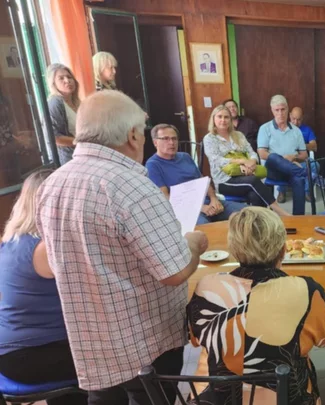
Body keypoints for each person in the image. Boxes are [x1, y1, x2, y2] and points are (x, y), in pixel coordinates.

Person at [35, 90, 209, 404]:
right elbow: (175, 271)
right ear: (132, 135)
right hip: (145, 342)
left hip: (90, 339)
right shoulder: (132, 186)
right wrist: (193, 244)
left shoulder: (51, 184)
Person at [187, 207, 325, 405]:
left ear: (233, 249)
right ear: (283, 249)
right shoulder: (306, 290)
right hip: (285, 397)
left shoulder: (206, 286)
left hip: (214, 398)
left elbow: (195, 338)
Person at [0, 170, 88, 405]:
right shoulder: (44, 249)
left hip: (13, 353)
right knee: (116, 359)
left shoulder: (11, 241)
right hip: (30, 356)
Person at [146, 123, 247, 224]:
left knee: (249, 213)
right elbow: (165, 198)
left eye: (174, 138)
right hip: (186, 210)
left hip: (208, 202)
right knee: (204, 228)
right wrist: (200, 208)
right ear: (155, 142)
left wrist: (214, 199)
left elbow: (203, 181)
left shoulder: (185, 157)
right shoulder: (153, 165)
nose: (171, 142)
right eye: (165, 139)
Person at [203, 105, 289, 216]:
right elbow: (216, 159)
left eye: (226, 117)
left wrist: (252, 162)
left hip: (246, 175)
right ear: (213, 119)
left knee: (255, 194)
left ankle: (259, 222)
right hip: (224, 180)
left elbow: (252, 152)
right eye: (219, 117)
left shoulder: (238, 135)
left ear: (230, 119)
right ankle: (279, 212)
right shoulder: (210, 138)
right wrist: (241, 162)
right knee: (253, 181)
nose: (223, 120)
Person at [257, 95, 308, 215]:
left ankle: (298, 219)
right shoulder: (265, 128)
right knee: (273, 157)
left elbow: (304, 155)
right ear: (272, 110)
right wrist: (284, 158)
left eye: (283, 109)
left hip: (291, 171)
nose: (280, 113)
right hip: (272, 171)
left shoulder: (296, 131)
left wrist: (293, 157)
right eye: (277, 110)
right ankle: (305, 173)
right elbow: (262, 154)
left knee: (299, 180)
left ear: (287, 109)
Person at [46, 63, 81, 166]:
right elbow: (54, 137)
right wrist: (80, 142)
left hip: (81, 154)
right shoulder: (55, 102)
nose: (67, 80)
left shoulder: (77, 102)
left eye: (69, 77)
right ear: (54, 84)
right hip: (68, 160)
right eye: (61, 78)